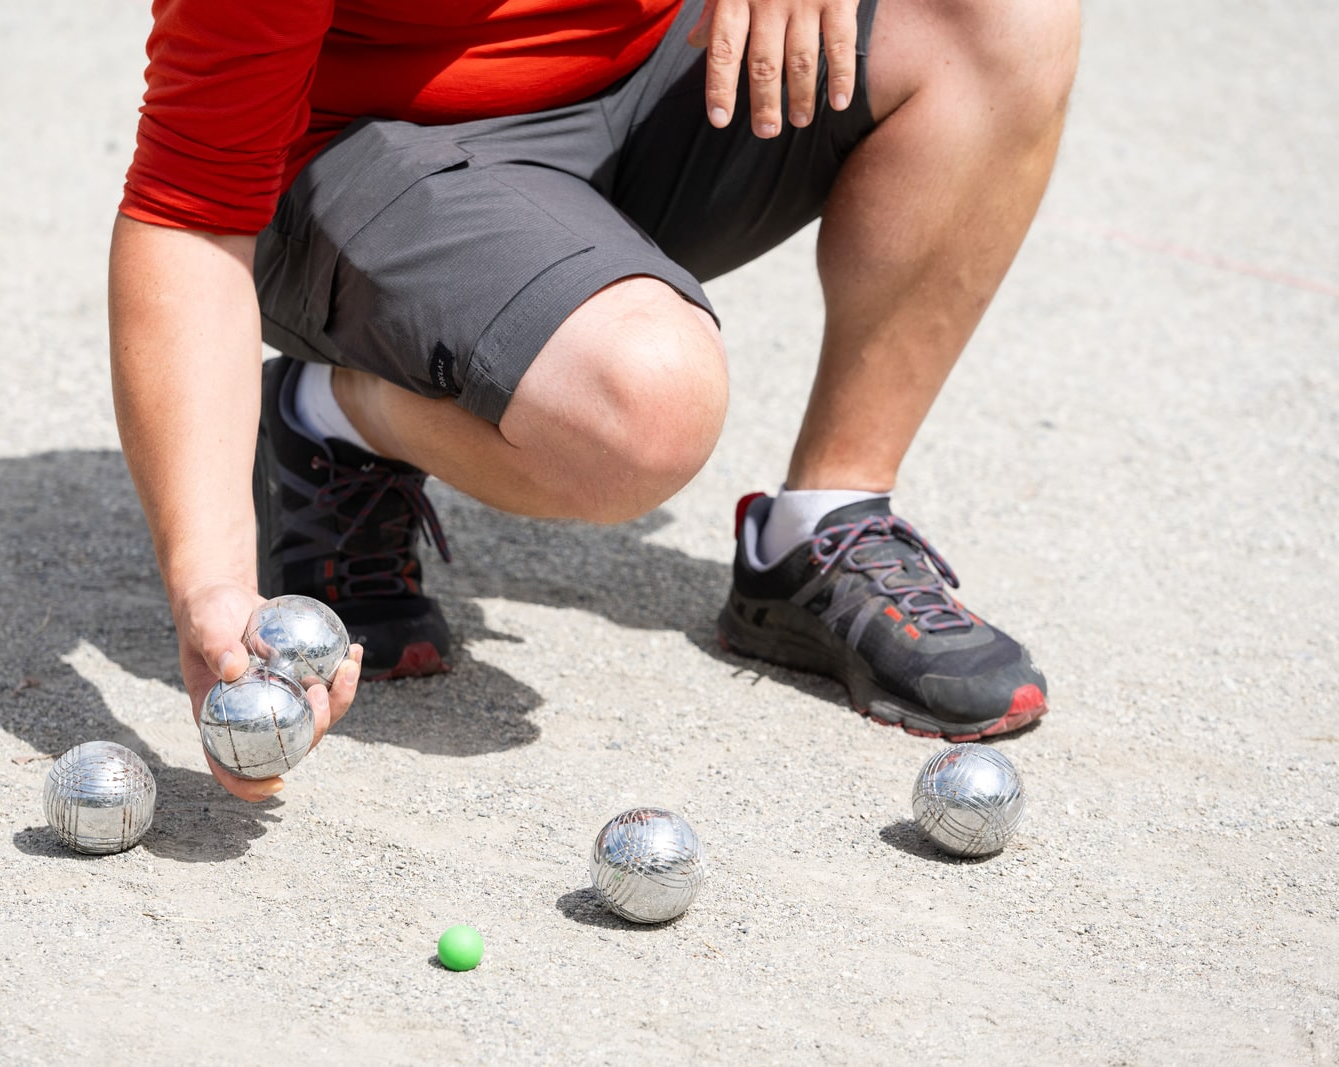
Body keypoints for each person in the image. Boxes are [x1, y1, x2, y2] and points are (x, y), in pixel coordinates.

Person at [109, 0, 1081, 802]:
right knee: (638, 411)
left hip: (653, 78)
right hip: (360, 164)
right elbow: (190, 222)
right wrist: (211, 582)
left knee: (1001, 17)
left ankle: (821, 527)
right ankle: (331, 410)